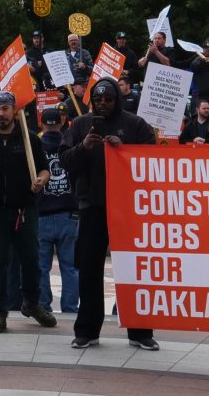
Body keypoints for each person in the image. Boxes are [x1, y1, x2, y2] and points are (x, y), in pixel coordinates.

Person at [59, 76, 159, 351]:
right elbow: (64, 160)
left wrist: (124, 150)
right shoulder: (80, 124)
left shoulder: (135, 124)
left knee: (134, 270)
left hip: (128, 210)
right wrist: (85, 146)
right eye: (99, 99)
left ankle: (140, 331)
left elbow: (153, 161)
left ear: (118, 100)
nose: (103, 104)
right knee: (89, 270)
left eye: (109, 99)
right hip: (91, 207)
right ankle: (87, 330)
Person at [0, 90, 52, 332]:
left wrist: (41, 180)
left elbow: (44, 169)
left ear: (14, 110)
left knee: (31, 260)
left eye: (5, 109)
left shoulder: (30, 139)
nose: (1, 114)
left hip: (25, 210)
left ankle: (31, 302)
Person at [32, 104, 79, 315]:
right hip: (69, 215)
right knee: (70, 267)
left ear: (42, 123)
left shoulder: (33, 147)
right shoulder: (71, 147)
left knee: (42, 267)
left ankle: (43, 305)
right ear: (62, 123)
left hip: (41, 214)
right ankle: (70, 309)